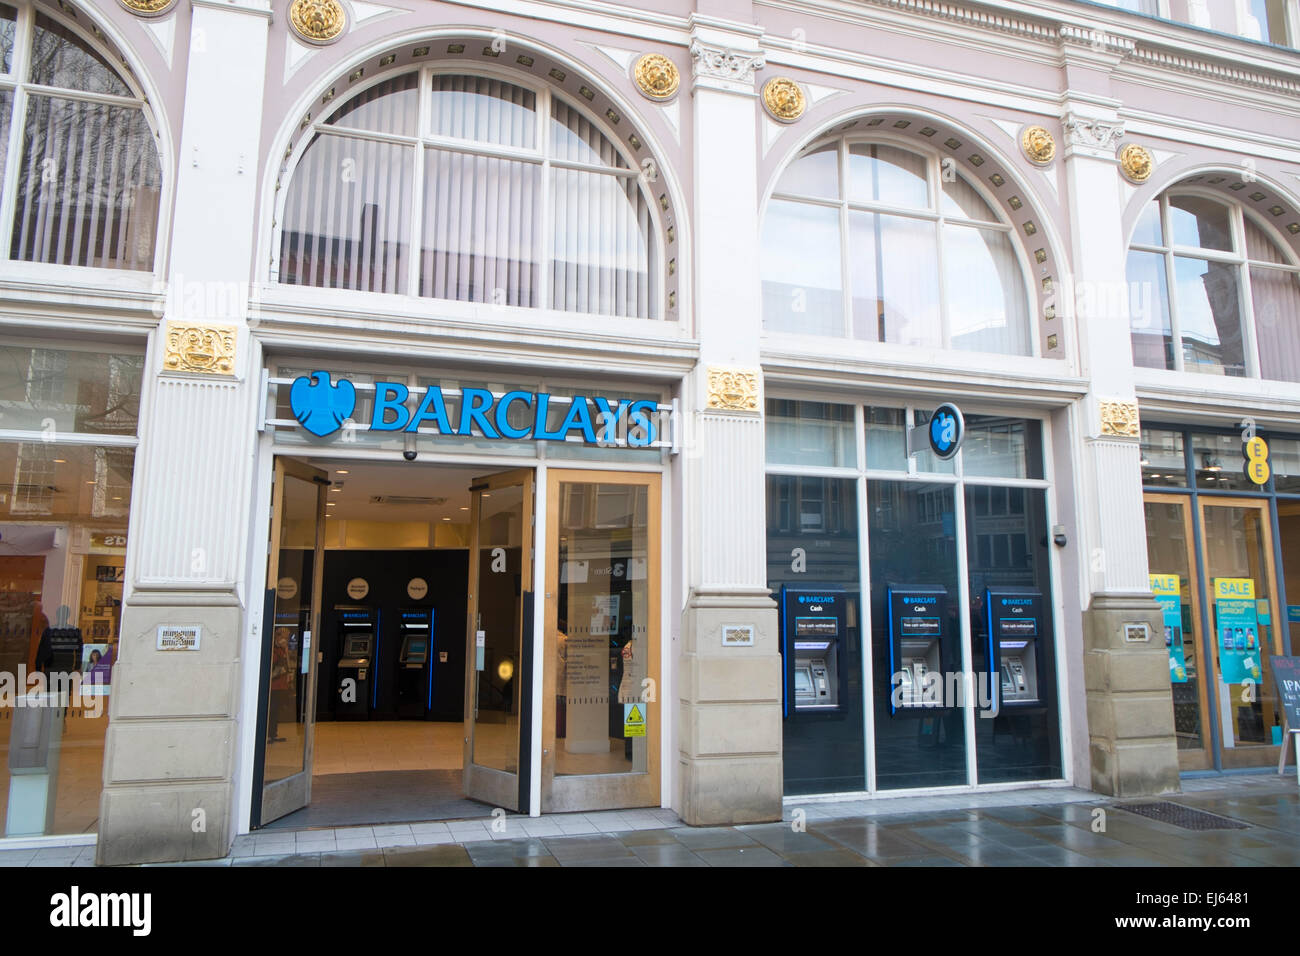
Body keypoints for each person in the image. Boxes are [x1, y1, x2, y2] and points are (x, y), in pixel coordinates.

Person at [268, 628, 292, 744]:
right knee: (272, 710)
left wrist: (286, 651)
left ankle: (273, 733)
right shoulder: (274, 651)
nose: (286, 640)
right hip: (274, 686)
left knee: (276, 711)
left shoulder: (282, 650)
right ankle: (270, 734)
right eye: (285, 637)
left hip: (281, 685)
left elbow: (288, 665)